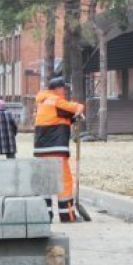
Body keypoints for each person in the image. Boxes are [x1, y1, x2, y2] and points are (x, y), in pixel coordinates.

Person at [34, 77, 84, 222]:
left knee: (45, 182)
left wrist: (72, 119)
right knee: (64, 181)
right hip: (56, 149)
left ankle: (45, 215)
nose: (65, 91)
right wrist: (80, 109)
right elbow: (75, 108)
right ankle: (67, 215)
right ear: (57, 89)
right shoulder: (56, 100)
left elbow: (62, 116)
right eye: (63, 88)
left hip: (41, 150)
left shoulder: (43, 102)